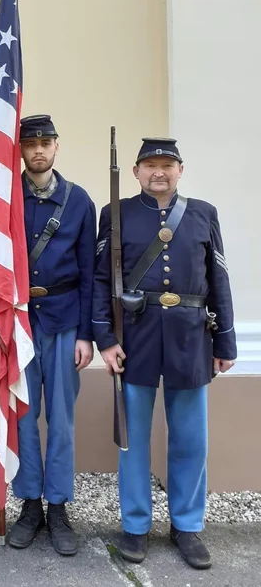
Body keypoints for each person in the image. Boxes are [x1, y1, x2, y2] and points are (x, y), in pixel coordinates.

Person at [92, 137, 237, 570]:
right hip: (135, 338)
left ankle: (187, 525)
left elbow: (219, 279)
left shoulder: (203, 213)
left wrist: (225, 341)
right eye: (151, 164)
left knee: (190, 438)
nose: (159, 171)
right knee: (133, 439)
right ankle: (135, 525)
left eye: (167, 165)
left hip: (191, 338)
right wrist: (106, 339)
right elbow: (101, 281)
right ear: (136, 171)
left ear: (180, 170)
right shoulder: (115, 214)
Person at [0, 114, 97, 555]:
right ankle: (30, 505)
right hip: (18, 322)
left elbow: (90, 273)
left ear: (56, 146)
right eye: (30, 144)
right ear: (21, 150)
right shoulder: (5, 198)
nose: (38, 150)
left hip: (65, 321)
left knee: (61, 419)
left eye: (45, 142)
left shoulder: (79, 201)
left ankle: (58, 507)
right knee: (23, 415)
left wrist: (86, 335)